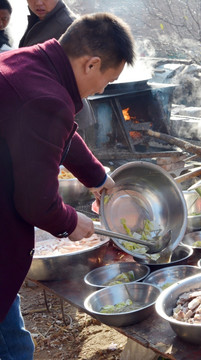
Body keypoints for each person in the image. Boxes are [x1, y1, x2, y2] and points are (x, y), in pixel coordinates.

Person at [0, 13, 135, 359]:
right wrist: (73, 224)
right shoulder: (45, 98)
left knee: (12, 332)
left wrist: (99, 178)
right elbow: (36, 202)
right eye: (108, 79)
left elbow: (59, 134)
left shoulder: (26, 63)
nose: (103, 90)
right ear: (91, 64)